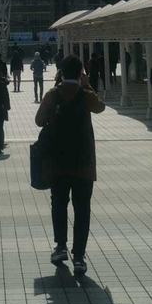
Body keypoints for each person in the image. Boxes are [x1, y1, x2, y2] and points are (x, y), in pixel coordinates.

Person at [35, 54, 106, 276]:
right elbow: (100, 107)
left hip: (57, 162)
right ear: (80, 73)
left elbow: (39, 121)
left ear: (60, 72)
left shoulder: (53, 94)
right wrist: (87, 85)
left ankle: (60, 247)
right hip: (84, 163)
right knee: (82, 208)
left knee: (59, 204)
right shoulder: (85, 95)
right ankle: (79, 256)